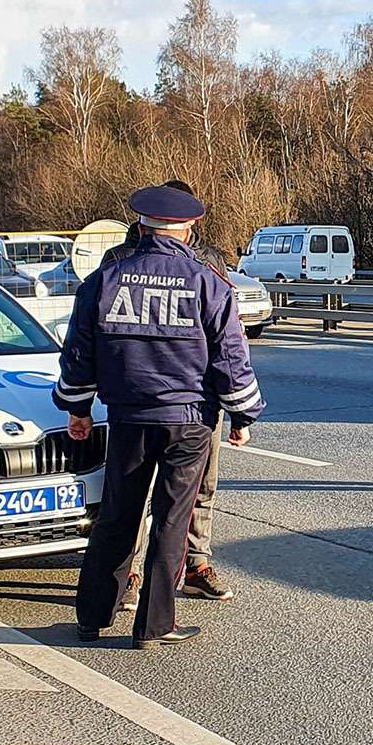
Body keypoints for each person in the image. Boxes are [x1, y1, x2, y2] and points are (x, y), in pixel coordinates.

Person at [54, 184, 264, 649]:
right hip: (188, 420)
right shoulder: (208, 281)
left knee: (117, 516)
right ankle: (154, 626)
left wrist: (77, 408)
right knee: (172, 521)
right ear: (189, 228)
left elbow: (79, 352)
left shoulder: (106, 278)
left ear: (142, 224)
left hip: (128, 416)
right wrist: (243, 414)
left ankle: (92, 617)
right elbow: (230, 357)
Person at [100, 180, 235, 609]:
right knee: (135, 496)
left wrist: (234, 400)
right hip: (142, 401)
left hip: (198, 401)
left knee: (200, 491)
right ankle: (131, 574)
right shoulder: (118, 261)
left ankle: (195, 565)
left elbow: (225, 336)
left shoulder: (208, 261)